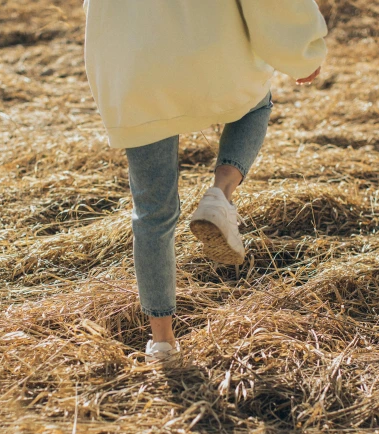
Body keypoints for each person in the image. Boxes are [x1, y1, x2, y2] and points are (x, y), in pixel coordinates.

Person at [83, 0, 328, 362]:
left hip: (137, 72)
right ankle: (220, 192)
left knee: (153, 212)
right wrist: (303, 52)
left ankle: (162, 344)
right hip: (213, 59)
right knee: (256, 102)